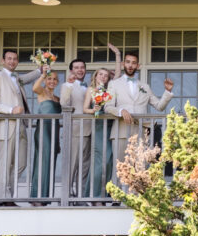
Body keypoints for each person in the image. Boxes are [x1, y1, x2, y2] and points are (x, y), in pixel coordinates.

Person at [60, 43, 122, 202]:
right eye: (76, 67)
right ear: (71, 70)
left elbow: (117, 76)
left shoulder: (104, 89)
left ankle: (83, 196)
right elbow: (65, 103)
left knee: (87, 167)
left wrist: (117, 55)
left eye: (82, 67)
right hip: (78, 130)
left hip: (97, 130)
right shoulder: (71, 86)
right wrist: (68, 84)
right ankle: (67, 198)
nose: (80, 70)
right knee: (72, 165)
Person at [105, 50, 174, 188]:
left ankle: (136, 196)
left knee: (140, 165)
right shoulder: (114, 84)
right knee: (119, 165)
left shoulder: (145, 87)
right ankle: (117, 199)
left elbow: (159, 106)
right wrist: (121, 111)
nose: (130, 65)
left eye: (134, 63)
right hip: (121, 130)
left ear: (138, 66)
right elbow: (107, 107)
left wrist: (167, 92)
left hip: (140, 132)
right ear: (124, 63)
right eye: (128, 62)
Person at [0, 49, 41, 206]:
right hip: (7, 125)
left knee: (21, 163)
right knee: (5, 162)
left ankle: (4, 196)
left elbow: (26, 79)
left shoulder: (16, 78)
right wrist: (10, 110)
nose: (12, 61)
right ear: (3, 60)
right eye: (9, 59)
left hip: (21, 126)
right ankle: (4, 197)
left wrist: (40, 71)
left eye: (15, 59)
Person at [29, 69, 61, 203]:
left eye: (54, 79)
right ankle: (36, 196)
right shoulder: (42, 92)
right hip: (43, 129)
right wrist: (43, 75)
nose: (52, 81)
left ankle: (45, 197)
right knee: (42, 161)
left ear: (57, 82)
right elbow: (34, 87)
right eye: (49, 79)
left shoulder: (58, 99)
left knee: (50, 162)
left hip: (54, 130)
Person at [83, 68, 115, 202]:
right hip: (98, 127)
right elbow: (85, 109)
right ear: (96, 76)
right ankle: (93, 195)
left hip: (109, 127)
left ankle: (103, 195)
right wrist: (93, 110)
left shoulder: (109, 91)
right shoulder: (90, 90)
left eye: (106, 76)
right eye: (101, 74)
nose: (103, 77)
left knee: (108, 160)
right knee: (98, 162)